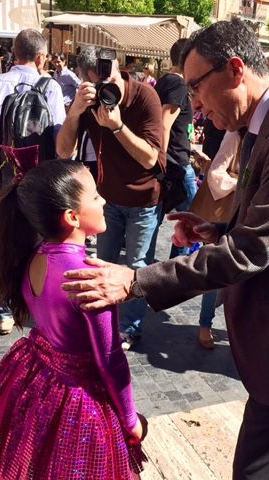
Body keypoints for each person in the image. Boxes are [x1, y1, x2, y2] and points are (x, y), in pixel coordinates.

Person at [61, 19, 269, 479]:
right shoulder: (268, 122)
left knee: (258, 472)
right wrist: (217, 229)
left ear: (235, 70)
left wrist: (135, 280)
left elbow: (254, 250)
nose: (192, 103)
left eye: (196, 86)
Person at [0, 160, 146, 479]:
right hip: (79, 398)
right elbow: (110, 360)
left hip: (39, 378)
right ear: (72, 216)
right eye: (96, 196)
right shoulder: (90, 279)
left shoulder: (35, 257)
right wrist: (130, 420)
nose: (104, 201)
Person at [56, 46, 164, 351]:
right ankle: (102, 321)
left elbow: (150, 159)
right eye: (99, 86)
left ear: (118, 69)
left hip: (143, 200)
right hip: (106, 200)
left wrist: (117, 126)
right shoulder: (88, 104)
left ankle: (129, 328)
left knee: (136, 265)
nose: (108, 91)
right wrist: (76, 110)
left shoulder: (145, 96)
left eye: (112, 82)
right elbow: (64, 151)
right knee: (100, 263)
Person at [0, 28, 65, 335]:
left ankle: (4, 310)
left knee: (4, 242)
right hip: (42, 181)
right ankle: (38, 304)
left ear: (14, 52)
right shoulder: (50, 86)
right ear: (41, 57)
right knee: (43, 243)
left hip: (6, 177)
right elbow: (60, 138)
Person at [189, 130, 242, 349]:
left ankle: (238, 328)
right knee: (216, 271)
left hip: (248, 214)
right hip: (226, 214)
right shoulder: (236, 135)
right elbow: (216, 174)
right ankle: (205, 325)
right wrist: (243, 184)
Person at [152, 38, 196, 258]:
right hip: (176, 163)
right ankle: (178, 267)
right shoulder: (177, 84)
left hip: (170, 160)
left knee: (156, 217)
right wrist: (161, 162)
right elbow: (164, 125)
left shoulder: (163, 82)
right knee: (195, 219)